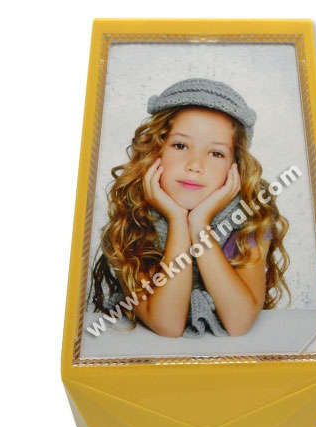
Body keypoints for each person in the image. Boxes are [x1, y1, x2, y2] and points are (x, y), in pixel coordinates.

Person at [89, 78, 290, 338]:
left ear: (235, 167)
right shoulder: (130, 224)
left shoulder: (250, 220)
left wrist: (199, 224)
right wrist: (177, 219)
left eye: (216, 153)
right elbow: (168, 324)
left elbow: (239, 323)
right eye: (180, 145)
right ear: (155, 151)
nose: (195, 165)